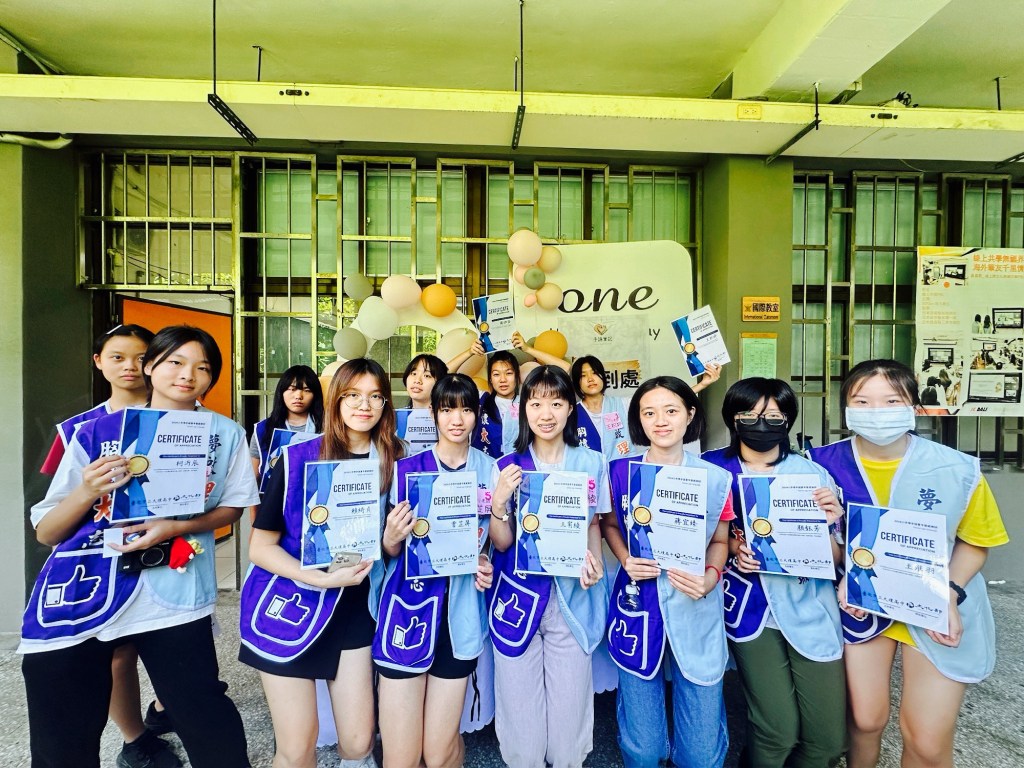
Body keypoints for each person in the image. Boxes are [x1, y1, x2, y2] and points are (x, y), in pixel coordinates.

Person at [21, 325, 257, 768]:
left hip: (175, 593)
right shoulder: (96, 432)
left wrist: (174, 527)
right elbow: (47, 532)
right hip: (87, 590)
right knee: (62, 728)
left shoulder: (224, 434)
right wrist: (88, 490)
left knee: (204, 713)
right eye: (175, 362)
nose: (187, 375)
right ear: (150, 366)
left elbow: (233, 507)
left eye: (203, 367)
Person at [809, 359, 1009, 768]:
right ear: (845, 408)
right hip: (861, 605)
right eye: (862, 401)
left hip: (934, 604)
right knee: (864, 720)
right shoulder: (817, 465)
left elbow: (976, 541)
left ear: (914, 406)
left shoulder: (956, 468)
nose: (876, 411)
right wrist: (844, 563)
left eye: (891, 400)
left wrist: (949, 594)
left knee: (926, 739)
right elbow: (818, 543)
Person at [239, 358, 404, 768]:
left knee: (358, 742)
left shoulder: (396, 461)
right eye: (353, 395)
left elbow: (392, 549)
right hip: (290, 602)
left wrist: (390, 541)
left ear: (386, 404)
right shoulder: (297, 458)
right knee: (298, 746)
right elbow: (260, 547)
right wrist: (317, 578)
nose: (364, 405)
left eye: (375, 397)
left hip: (355, 608)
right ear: (335, 400)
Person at [38, 323, 180, 768]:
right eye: (117, 357)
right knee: (119, 653)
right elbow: (55, 512)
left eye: (141, 357)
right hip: (104, 559)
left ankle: (166, 707)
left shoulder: (185, 421)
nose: (130, 366)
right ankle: (135, 738)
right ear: (99, 362)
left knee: (177, 645)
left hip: (170, 554)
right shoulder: (79, 431)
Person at [703, 378, 846, 768]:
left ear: (788, 420)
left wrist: (831, 523)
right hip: (749, 607)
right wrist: (735, 550)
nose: (761, 424)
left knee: (828, 742)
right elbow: (691, 536)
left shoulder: (811, 475)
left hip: (808, 604)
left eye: (773, 416)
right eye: (749, 415)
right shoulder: (712, 469)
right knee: (776, 732)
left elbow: (836, 556)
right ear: (732, 419)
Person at [600, 376, 732, 768]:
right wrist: (625, 558)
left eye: (671, 410)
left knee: (701, 752)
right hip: (638, 601)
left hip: (695, 600)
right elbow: (609, 525)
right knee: (644, 747)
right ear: (638, 420)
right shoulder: (619, 473)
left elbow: (721, 540)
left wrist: (710, 577)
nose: (660, 421)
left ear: (690, 415)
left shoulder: (715, 478)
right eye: (649, 412)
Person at [487, 365, 608, 768]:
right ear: (523, 409)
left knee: (568, 728)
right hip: (517, 599)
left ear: (571, 408)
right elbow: (501, 543)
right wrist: (499, 501)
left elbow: (594, 523)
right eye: (536, 403)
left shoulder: (592, 462)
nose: (546, 413)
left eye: (556, 403)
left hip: (572, 598)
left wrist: (594, 561)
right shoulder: (507, 465)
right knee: (521, 724)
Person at [374, 373, 495, 768]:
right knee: (402, 758)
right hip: (407, 612)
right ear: (433, 414)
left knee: (440, 752)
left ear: (476, 416)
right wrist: (391, 536)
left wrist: (484, 561)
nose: (457, 419)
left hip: (459, 616)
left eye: (466, 410)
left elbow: (496, 542)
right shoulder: (407, 470)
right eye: (447, 410)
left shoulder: (490, 470)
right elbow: (390, 551)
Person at [250, 364, 325, 480]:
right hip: (272, 491)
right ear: (281, 392)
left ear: (315, 395)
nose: (298, 396)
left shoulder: (328, 428)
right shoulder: (262, 429)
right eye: (292, 389)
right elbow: (252, 477)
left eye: (307, 390)